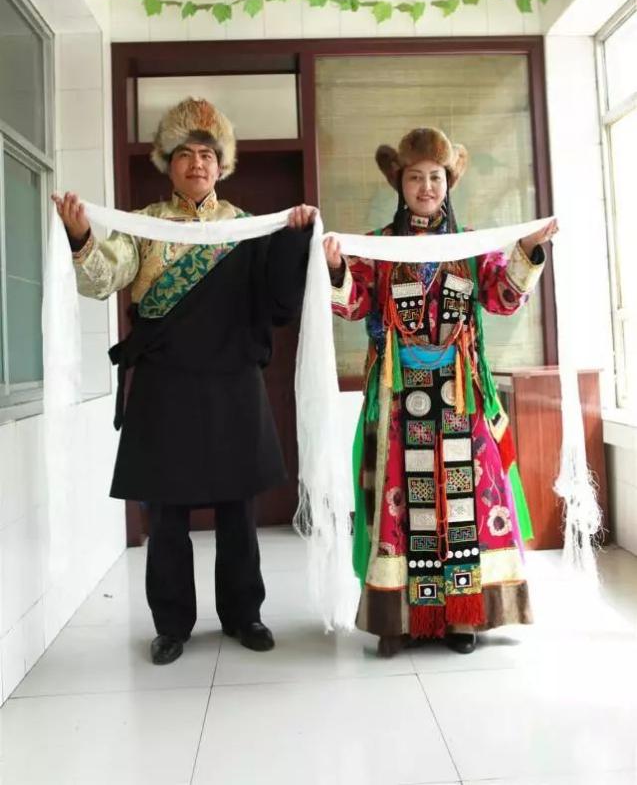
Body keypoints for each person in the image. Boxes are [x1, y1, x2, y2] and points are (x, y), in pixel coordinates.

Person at [53, 97, 315, 664]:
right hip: (164, 387)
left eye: (207, 155)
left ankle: (244, 614)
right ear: (167, 164)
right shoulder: (144, 226)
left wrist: (294, 237)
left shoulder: (248, 229)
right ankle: (171, 624)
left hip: (233, 383)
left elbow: (278, 303)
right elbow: (102, 279)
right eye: (186, 154)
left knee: (237, 508)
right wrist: (80, 236)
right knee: (166, 512)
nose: (197, 163)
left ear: (222, 166)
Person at [324, 128, 557, 656]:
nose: (426, 187)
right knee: (400, 503)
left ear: (448, 183)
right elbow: (352, 305)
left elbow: (502, 298)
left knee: (465, 498)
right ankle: (397, 619)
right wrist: (338, 266)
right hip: (398, 395)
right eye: (415, 177)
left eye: (435, 177)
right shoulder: (379, 246)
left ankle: (463, 616)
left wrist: (528, 250)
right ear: (400, 184)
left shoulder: (470, 245)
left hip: (459, 394)